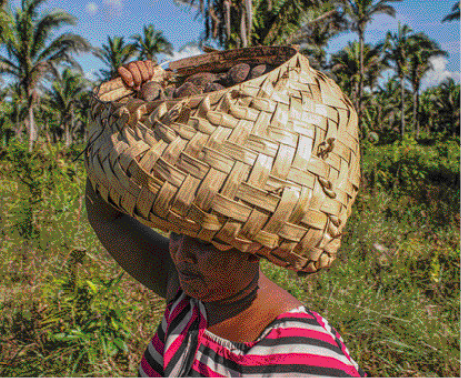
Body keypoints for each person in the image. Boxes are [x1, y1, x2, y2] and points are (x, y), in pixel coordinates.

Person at [86, 60, 366, 377]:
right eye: (176, 232)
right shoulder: (186, 294)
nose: (179, 252)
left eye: (205, 241)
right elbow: (107, 218)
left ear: (251, 241)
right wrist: (127, 117)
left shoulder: (303, 357)